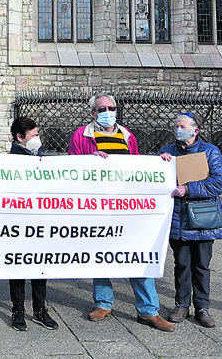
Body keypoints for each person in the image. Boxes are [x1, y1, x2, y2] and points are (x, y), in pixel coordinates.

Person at [68, 92, 174, 333]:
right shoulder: (81, 135)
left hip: (127, 205)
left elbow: (137, 166)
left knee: (137, 253)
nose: (107, 112)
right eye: (101, 108)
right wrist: (89, 160)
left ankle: (148, 310)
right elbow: (72, 167)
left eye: (111, 107)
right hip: (98, 205)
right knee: (101, 254)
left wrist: (161, 164)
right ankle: (103, 303)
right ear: (93, 113)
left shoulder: (127, 135)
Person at [159, 113, 222, 328]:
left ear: (195, 130)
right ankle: (181, 304)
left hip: (203, 217)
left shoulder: (209, 151)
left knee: (201, 265)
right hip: (178, 218)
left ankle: (202, 307)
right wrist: (162, 165)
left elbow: (219, 183)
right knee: (182, 264)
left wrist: (189, 188)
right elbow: (157, 180)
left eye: (183, 126)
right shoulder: (167, 151)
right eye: (176, 125)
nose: (178, 129)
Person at [6, 116, 58, 332]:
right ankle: (18, 310)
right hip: (18, 222)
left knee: (40, 266)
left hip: (40, 220)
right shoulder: (10, 161)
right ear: (20, 137)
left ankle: (40, 309)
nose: (37, 138)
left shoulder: (43, 156)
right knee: (18, 266)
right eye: (34, 135)